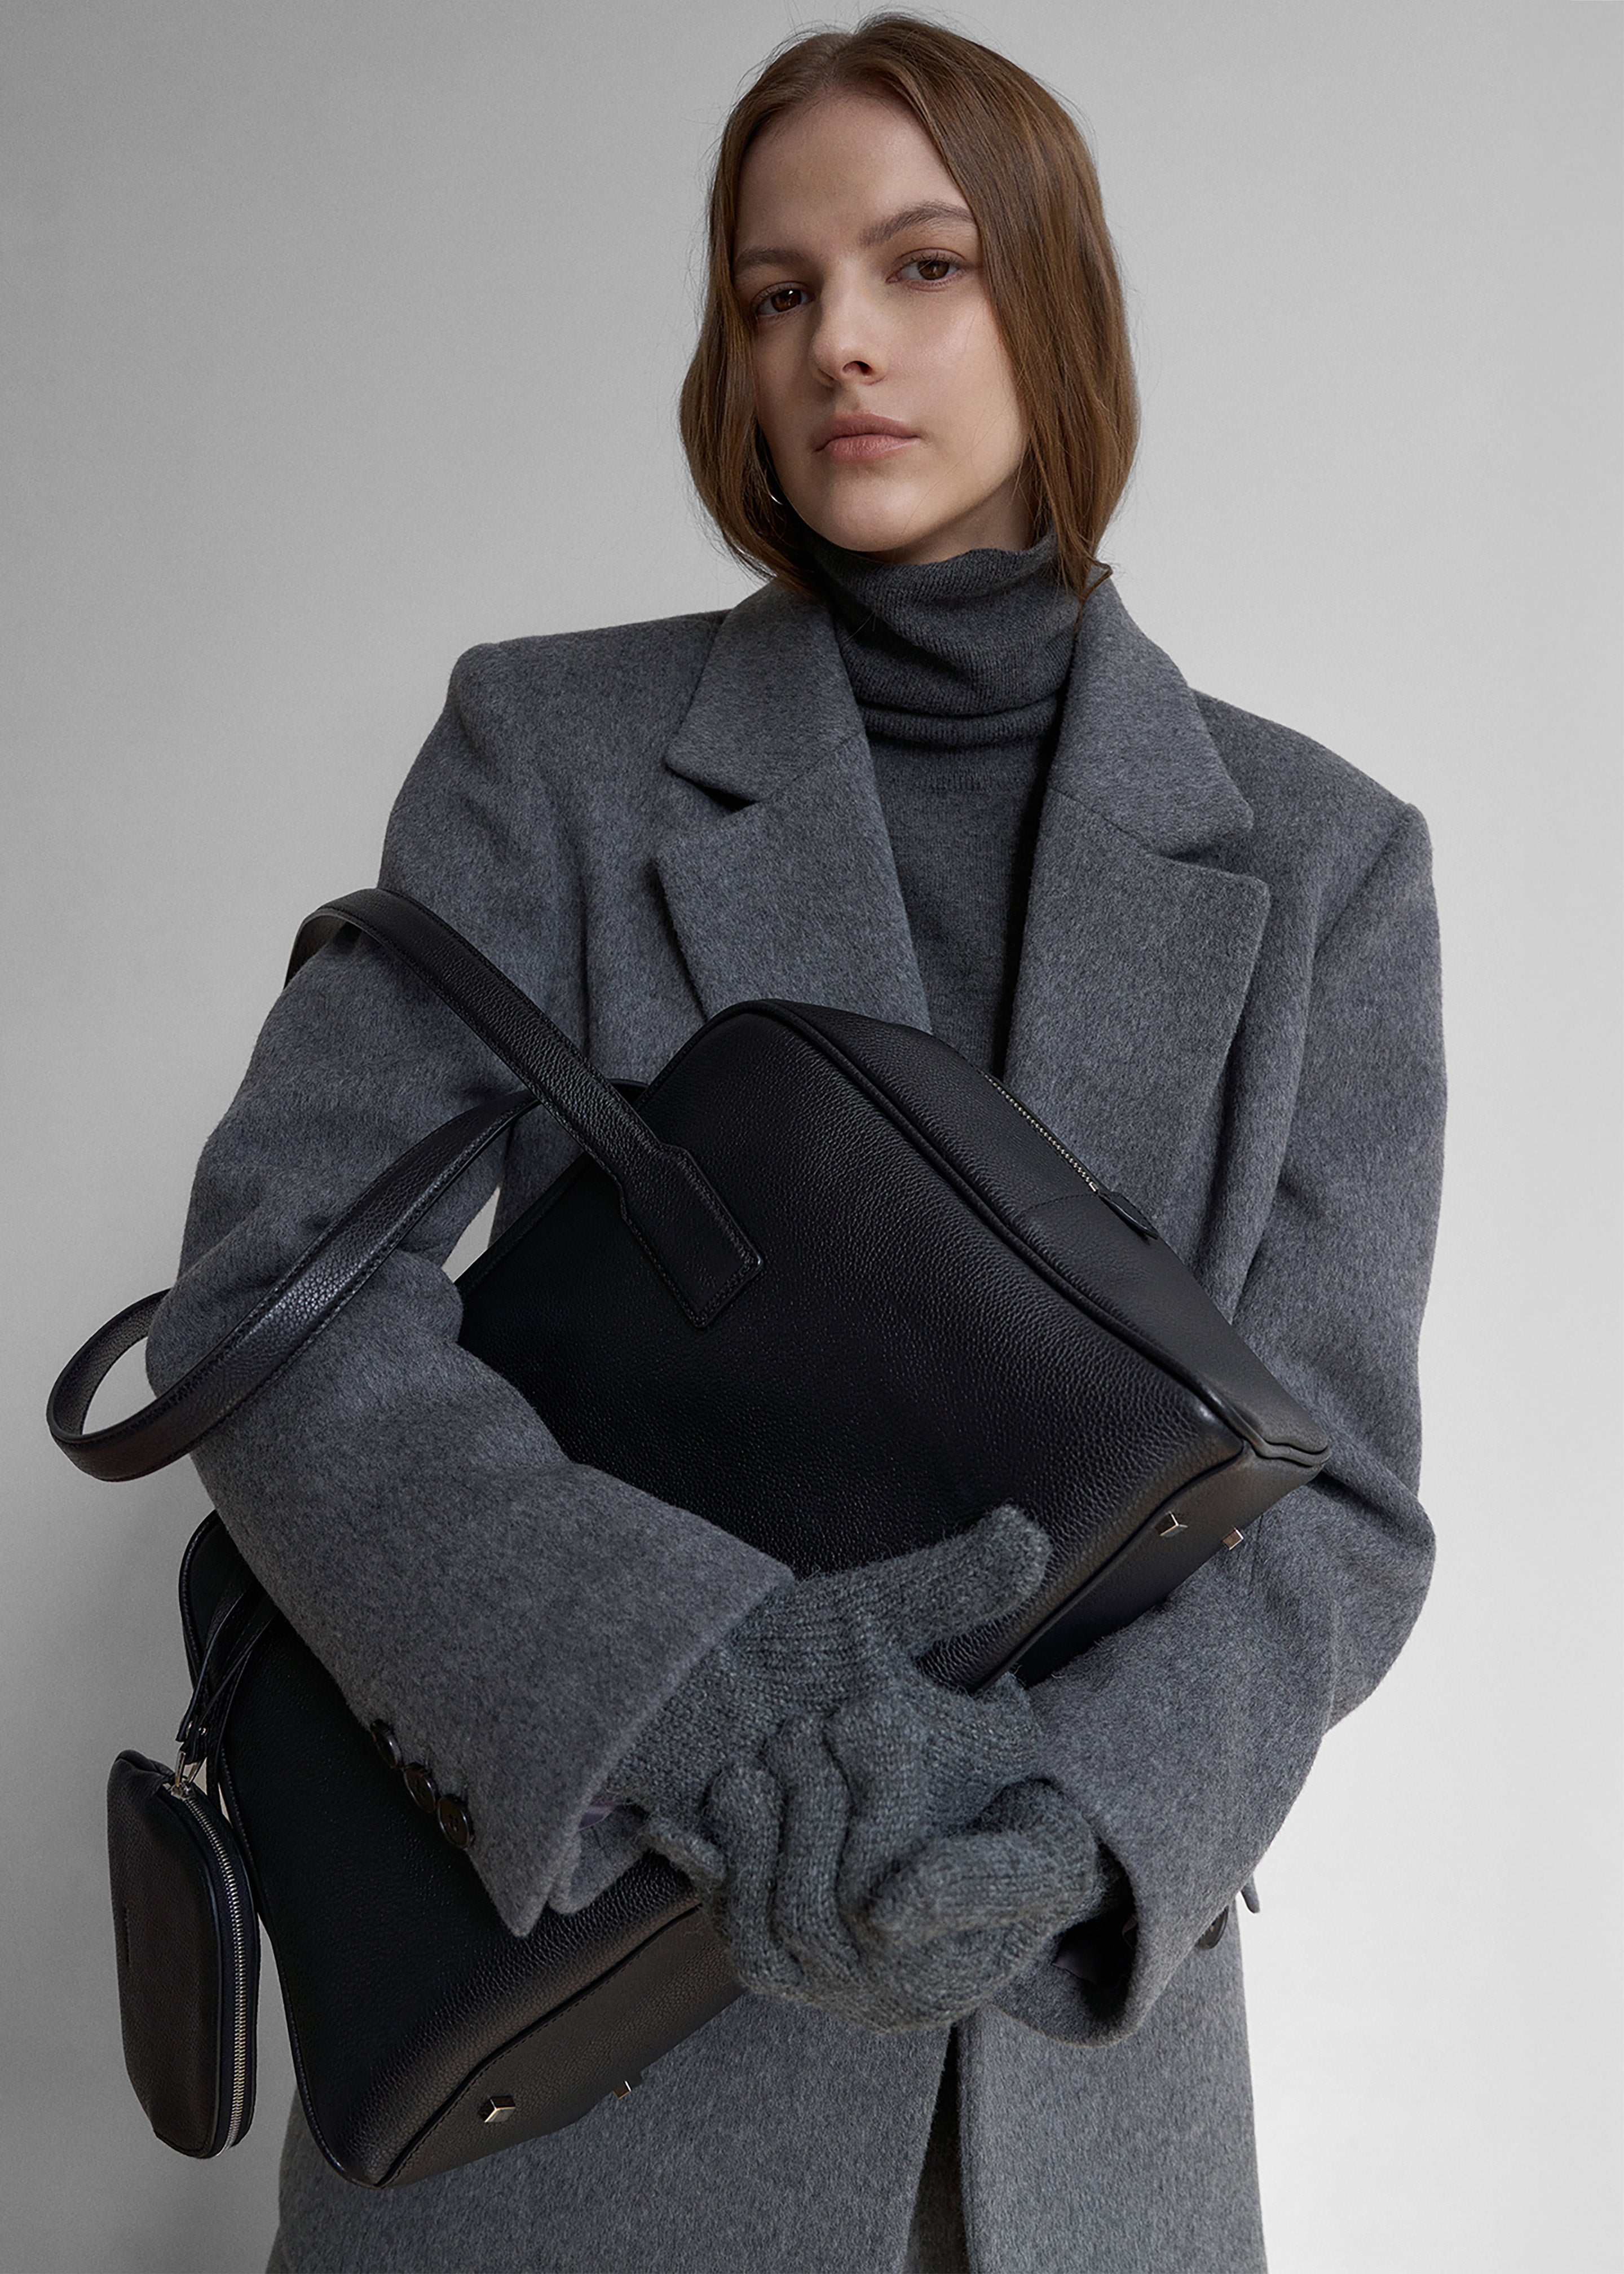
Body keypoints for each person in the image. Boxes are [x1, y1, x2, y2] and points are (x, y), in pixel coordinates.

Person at [145, 17, 1444, 2272]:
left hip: (1069, 2138)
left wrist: (1076, 1823)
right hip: (570, 2090)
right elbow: (278, 1302)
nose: (839, 339)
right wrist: (680, 1673)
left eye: (923, 266)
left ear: (1056, 301)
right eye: (776, 291)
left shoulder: (1325, 861)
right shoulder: (549, 752)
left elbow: (1337, 1510)